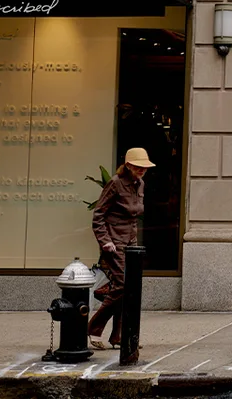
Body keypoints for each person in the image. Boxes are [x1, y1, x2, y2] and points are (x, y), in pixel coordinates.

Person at [89, 148, 154, 350]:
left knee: (129, 289)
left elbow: (133, 216)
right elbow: (98, 215)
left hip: (130, 242)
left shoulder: (140, 184)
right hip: (114, 242)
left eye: (144, 167)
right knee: (122, 286)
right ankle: (93, 328)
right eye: (138, 166)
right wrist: (105, 241)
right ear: (128, 166)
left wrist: (133, 240)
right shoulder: (115, 183)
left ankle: (118, 336)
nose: (142, 170)